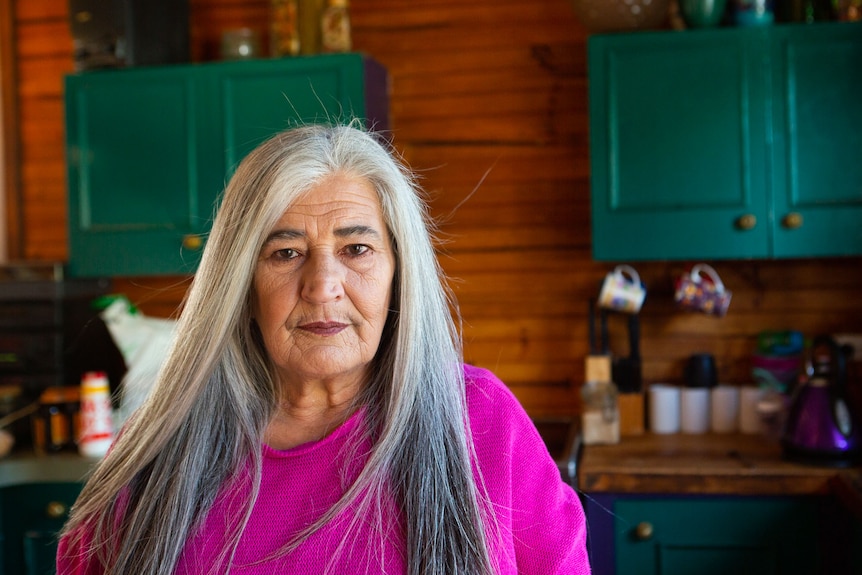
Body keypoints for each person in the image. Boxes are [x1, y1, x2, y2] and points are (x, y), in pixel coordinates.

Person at [57, 123, 591, 575]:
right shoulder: (157, 448)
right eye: (286, 253)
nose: (322, 285)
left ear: (398, 274)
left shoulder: (481, 420)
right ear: (241, 284)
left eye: (356, 249)